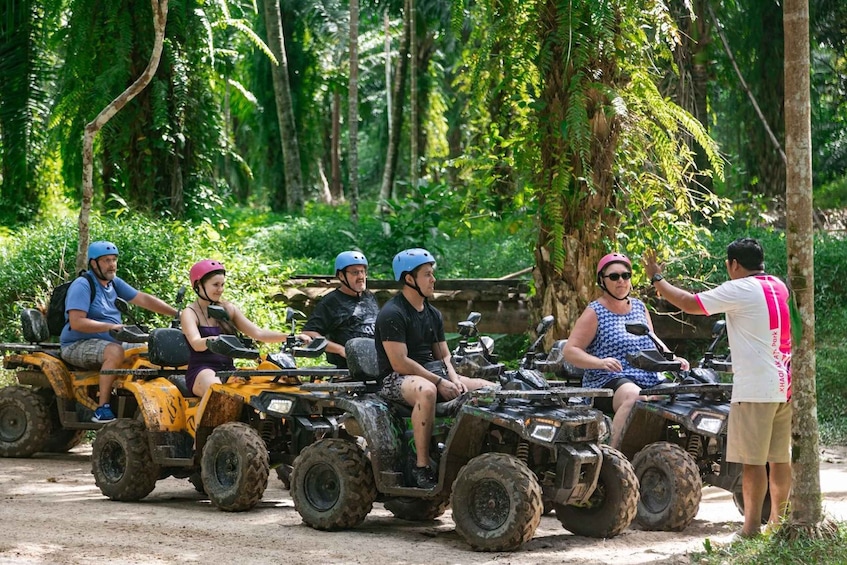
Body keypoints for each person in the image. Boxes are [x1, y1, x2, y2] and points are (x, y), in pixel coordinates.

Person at [644, 238, 792, 538]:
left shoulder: (739, 288)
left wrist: (657, 278)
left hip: (755, 389)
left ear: (734, 264)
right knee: (779, 459)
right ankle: (778, 523)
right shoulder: (778, 285)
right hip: (784, 385)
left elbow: (689, 303)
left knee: (752, 463)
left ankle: (749, 529)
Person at [374, 248, 491, 489]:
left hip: (431, 372)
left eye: (432, 274)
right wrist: (439, 383)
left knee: (490, 390)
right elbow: (400, 363)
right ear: (409, 279)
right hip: (395, 378)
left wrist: (453, 378)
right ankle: (421, 466)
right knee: (427, 391)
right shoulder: (392, 313)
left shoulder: (433, 314)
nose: (433, 279)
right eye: (427, 274)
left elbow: (444, 355)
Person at [563, 252, 687, 449]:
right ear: (602, 281)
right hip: (609, 378)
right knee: (635, 396)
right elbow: (570, 350)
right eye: (614, 276)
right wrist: (600, 362)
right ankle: (614, 455)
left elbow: (653, 342)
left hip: (648, 376)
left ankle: (665, 453)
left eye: (625, 275)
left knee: (681, 395)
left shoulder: (639, 307)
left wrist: (673, 358)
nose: (621, 280)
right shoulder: (595, 311)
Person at [60, 241, 178, 423]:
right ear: (94, 263)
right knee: (115, 351)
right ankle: (103, 407)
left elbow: (143, 299)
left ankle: (137, 400)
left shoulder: (113, 283)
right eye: (106, 260)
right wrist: (109, 327)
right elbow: (76, 323)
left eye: (114, 260)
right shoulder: (82, 285)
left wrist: (178, 313)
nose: (112, 264)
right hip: (77, 344)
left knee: (146, 350)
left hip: (112, 340)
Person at [180, 259, 312, 398]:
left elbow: (258, 333)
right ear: (199, 285)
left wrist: (291, 336)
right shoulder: (190, 313)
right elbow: (196, 343)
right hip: (202, 370)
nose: (220, 289)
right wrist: (212, 340)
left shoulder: (227, 309)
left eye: (222, 284)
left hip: (229, 370)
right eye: (215, 285)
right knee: (218, 392)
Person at [302, 251, 379, 368]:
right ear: (341, 276)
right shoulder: (331, 302)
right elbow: (308, 334)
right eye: (355, 272)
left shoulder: (369, 296)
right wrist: (340, 350)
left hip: (375, 365)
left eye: (363, 271)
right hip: (347, 369)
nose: (361, 277)